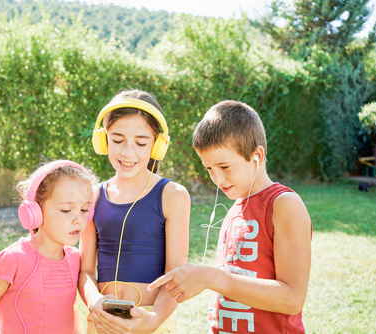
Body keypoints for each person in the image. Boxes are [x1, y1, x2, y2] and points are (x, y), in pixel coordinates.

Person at [148, 100, 312, 333]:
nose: (217, 179)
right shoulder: (235, 207)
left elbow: (292, 298)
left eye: (225, 167)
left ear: (257, 156)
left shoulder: (284, 204)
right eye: (209, 169)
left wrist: (212, 278)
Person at [79, 89, 191, 333]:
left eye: (140, 143)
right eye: (117, 140)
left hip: (154, 322)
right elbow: (85, 271)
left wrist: (152, 319)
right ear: (103, 139)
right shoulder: (93, 196)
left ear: (157, 146)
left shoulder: (173, 196)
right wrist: (95, 302)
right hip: (101, 321)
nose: (127, 152)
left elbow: (175, 275)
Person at [0, 160, 99, 334]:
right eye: (66, 210)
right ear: (35, 211)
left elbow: (73, 312)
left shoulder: (74, 259)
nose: (78, 219)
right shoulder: (12, 260)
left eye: (85, 210)